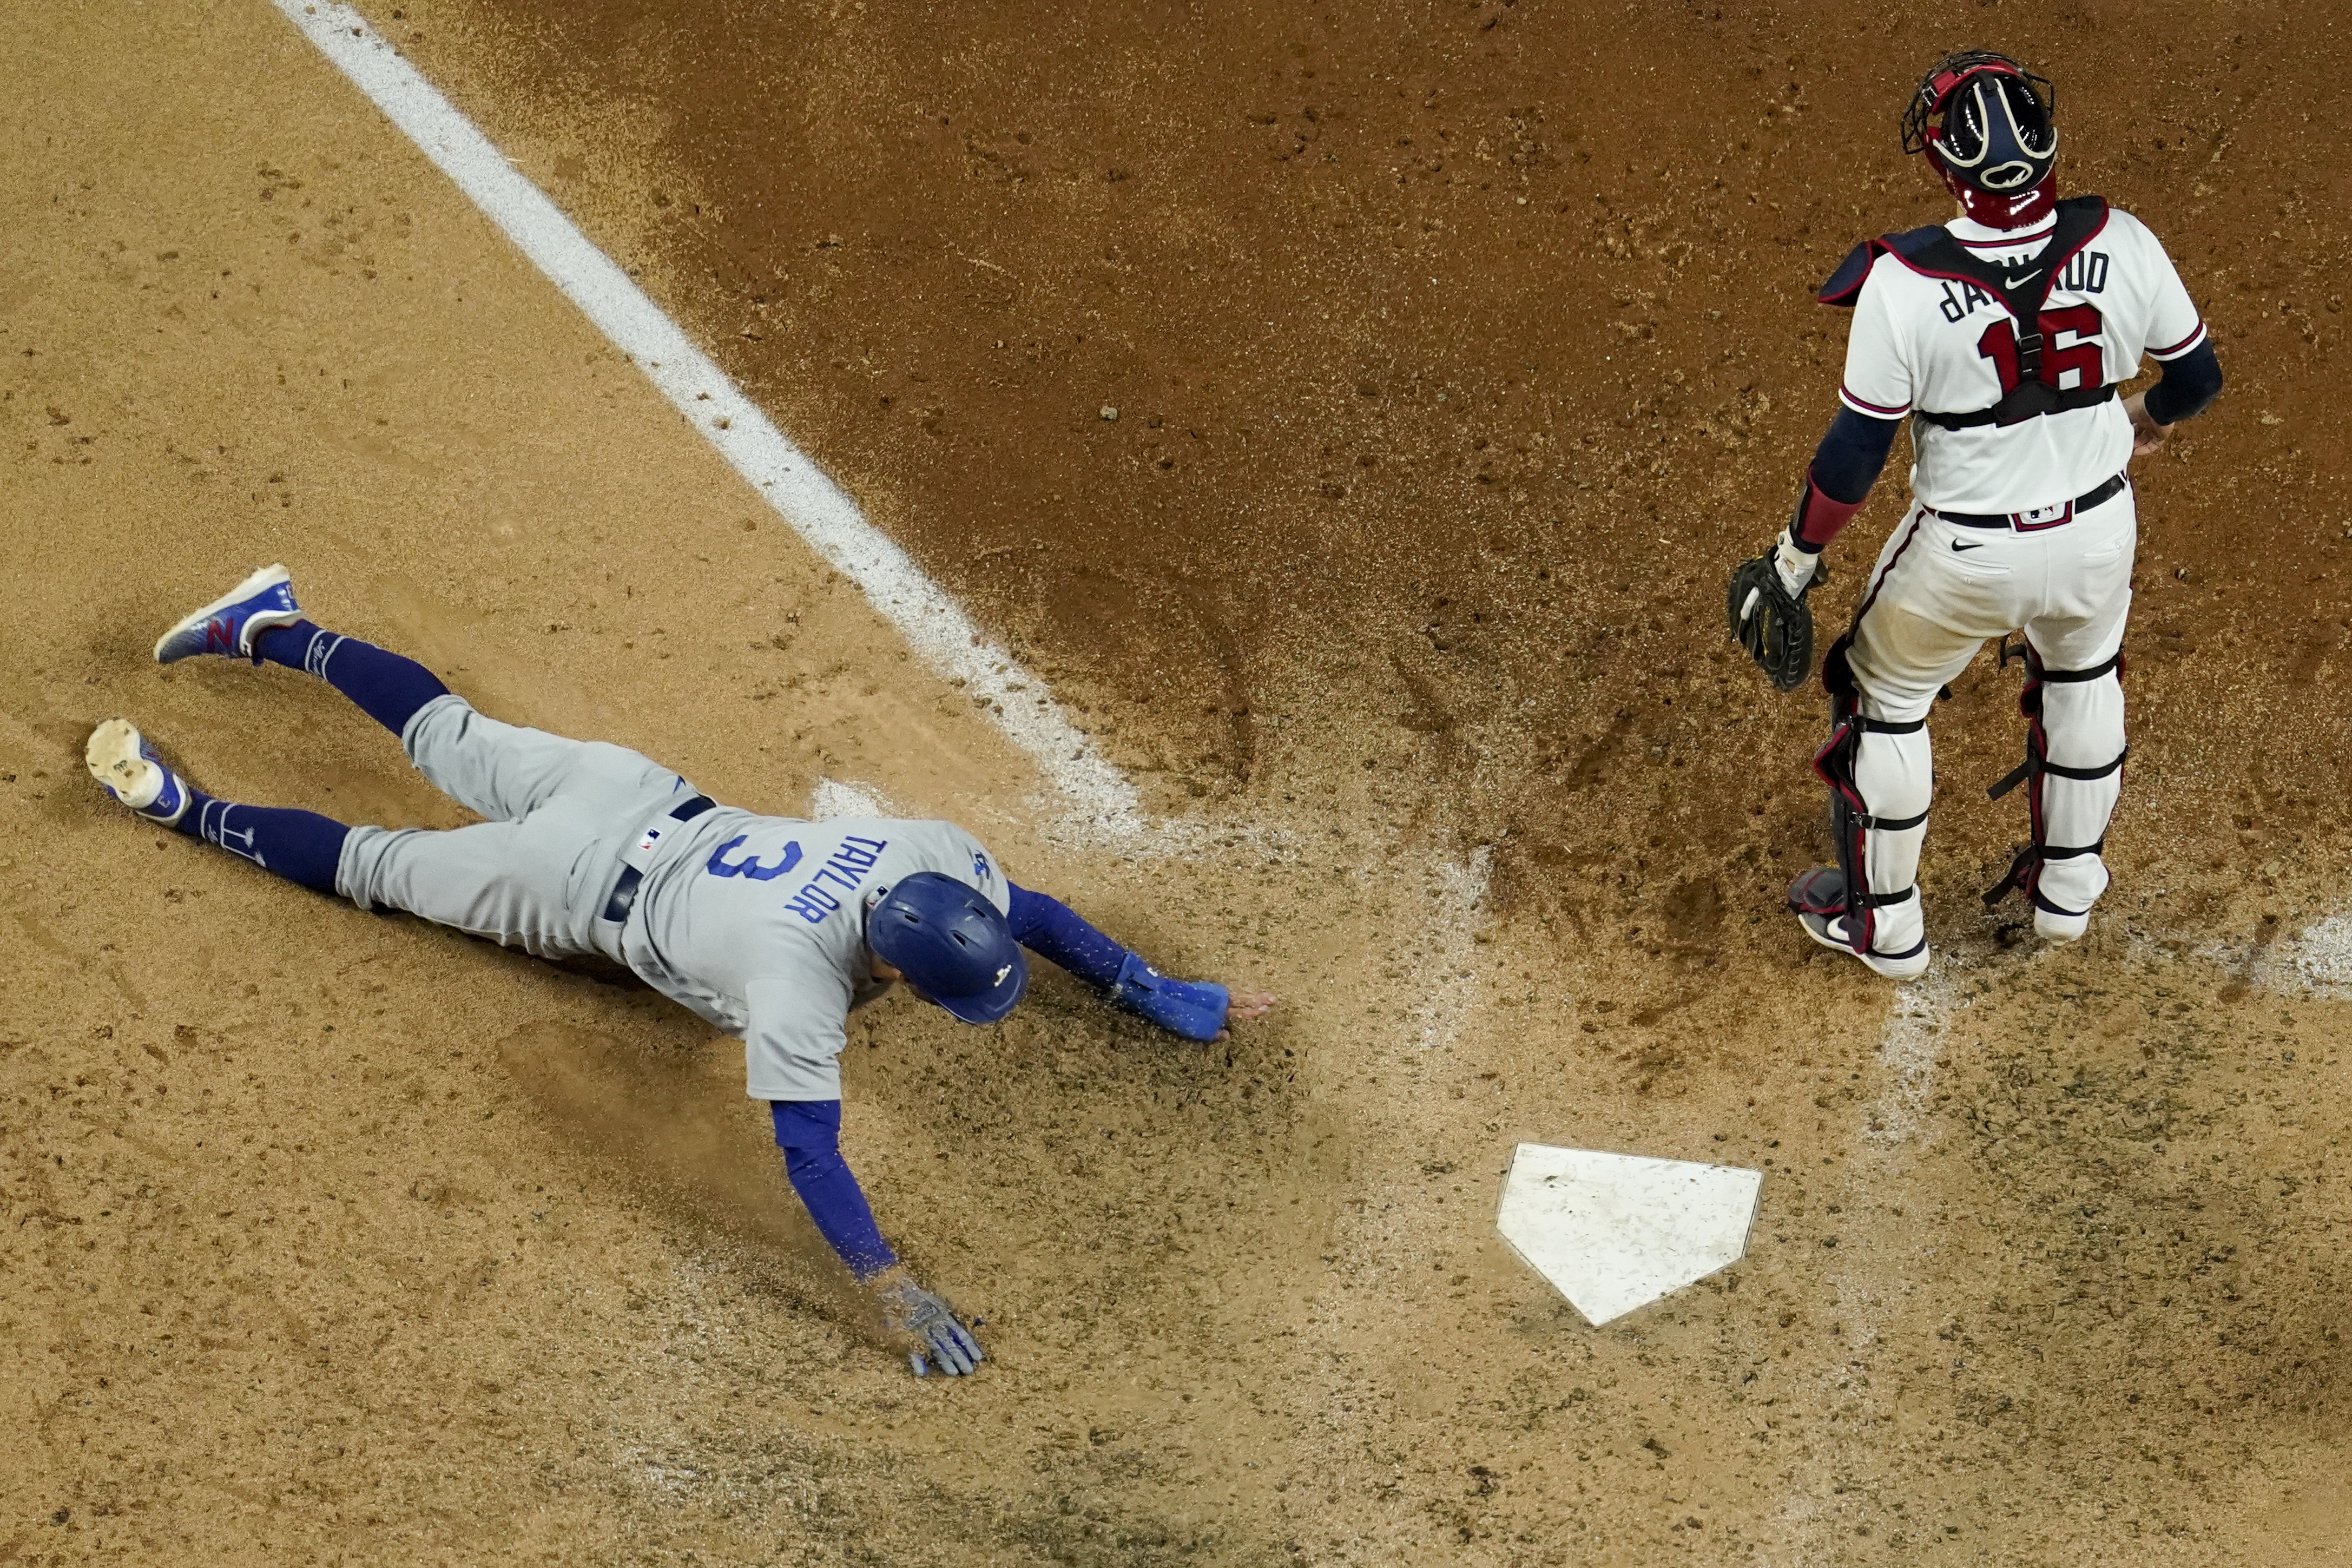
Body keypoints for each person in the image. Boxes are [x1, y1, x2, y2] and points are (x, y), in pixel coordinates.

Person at [88, 564, 1276, 1375]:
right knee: (378, 867)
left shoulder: (920, 861)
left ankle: (272, 621)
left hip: (629, 787)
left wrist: (1142, 984)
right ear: (899, 974)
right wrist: (891, 1290)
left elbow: (1030, 911)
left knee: (444, 733)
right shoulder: (794, 985)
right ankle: (180, 808)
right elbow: (807, 1150)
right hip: (565, 885)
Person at [1728, 50, 2224, 977]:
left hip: (1962, 555)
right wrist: (2143, 422)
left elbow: (1854, 456)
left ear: (1941, 164)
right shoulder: (2127, 239)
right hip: (2098, 532)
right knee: (2084, 676)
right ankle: (2068, 893)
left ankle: (1890, 929)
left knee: (1882, 693)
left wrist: (1796, 557)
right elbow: (2196, 379)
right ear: (2047, 149)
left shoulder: (1903, 284)